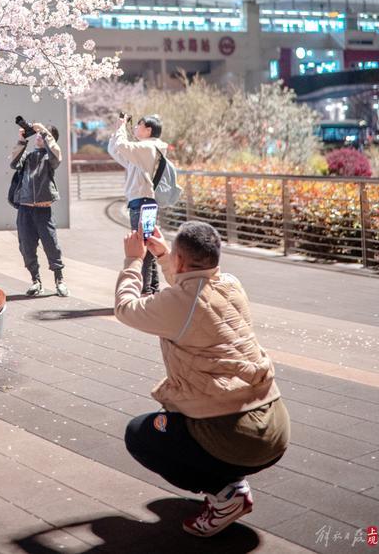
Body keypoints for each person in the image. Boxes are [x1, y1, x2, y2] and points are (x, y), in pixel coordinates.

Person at [115, 220, 290, 538]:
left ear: (182, 261)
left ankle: (226, 495)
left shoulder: (179, 304)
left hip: (233, 437)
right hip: (274, 428)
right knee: (172, 420)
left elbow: (126, 308)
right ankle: (228, 481)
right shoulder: (231, 284)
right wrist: (166, 255)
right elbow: (193, 292)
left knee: (143, 432)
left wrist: (133, 259)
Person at [108, 113, 169, 295]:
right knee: (147, 243)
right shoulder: (142, 150)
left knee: (143, 245)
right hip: (142, 202)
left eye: (139, 125)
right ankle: (152, 288)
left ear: (148, 130)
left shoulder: (149, 147)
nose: (135, 128)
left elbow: (122, 145)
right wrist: (118, 129)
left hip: (144, 202)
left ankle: (145, 288)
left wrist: (121, 127)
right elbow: (116, 149)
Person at [10, 122, 69, 298]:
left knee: (51, 245)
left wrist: (44, 131)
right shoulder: (28, 156)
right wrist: (21, 140)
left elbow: (57, 154)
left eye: (42, 135)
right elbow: (13, 162)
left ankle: (59, 280)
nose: (38, 136)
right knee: (26, 247)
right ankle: (36, 281)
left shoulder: (50, 158)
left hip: (43, 209)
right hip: (24, 209)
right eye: (36, 134)